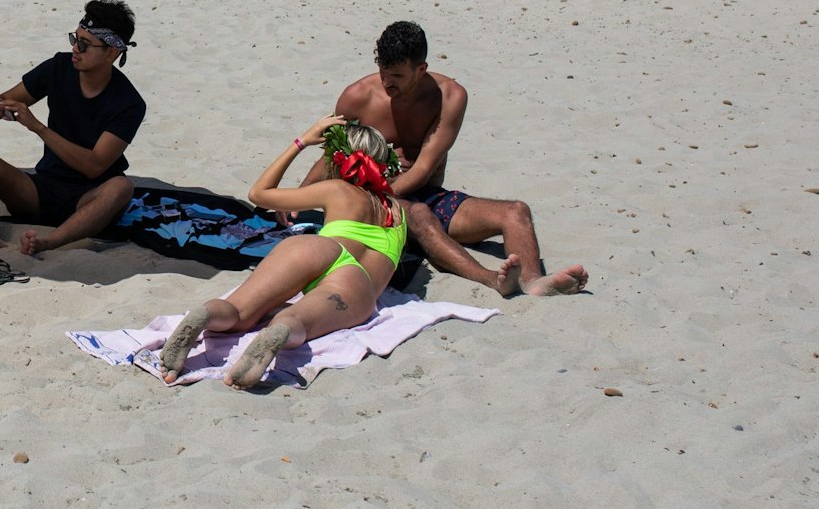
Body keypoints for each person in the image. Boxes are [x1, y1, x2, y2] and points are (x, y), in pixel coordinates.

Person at [309, 21, 587, 297]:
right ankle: (492, 280)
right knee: (419, 215)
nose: (386, 82)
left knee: (516, 211)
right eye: (382, 71)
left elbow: (424, 168)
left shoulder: (449, 96)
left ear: (421, 69)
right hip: (374, 199)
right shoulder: (358, 97)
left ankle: (534, 282)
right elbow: (333, 154)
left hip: (426, 192)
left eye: (396, 75)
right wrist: (301, 195)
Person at [158, 116, 408, 389]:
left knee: (240, 310)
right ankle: (281, 330)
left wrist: (301, 142)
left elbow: (259, 193)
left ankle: (207, 314)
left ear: (337, 160)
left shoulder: (336, 190)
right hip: (357, 284)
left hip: (316, 249)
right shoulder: (398, 214)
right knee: (295, 321)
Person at [0, 0, 146, 256]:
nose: (75, 48)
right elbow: (9, 102)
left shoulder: (129, 103)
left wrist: (38, 127)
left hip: (89, 199)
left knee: (121, 187)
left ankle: (47, 243)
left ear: (112, 53)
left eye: (85, 45)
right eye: (74, 39)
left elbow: (94, 166)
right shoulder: (58, 67)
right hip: (43, 189)